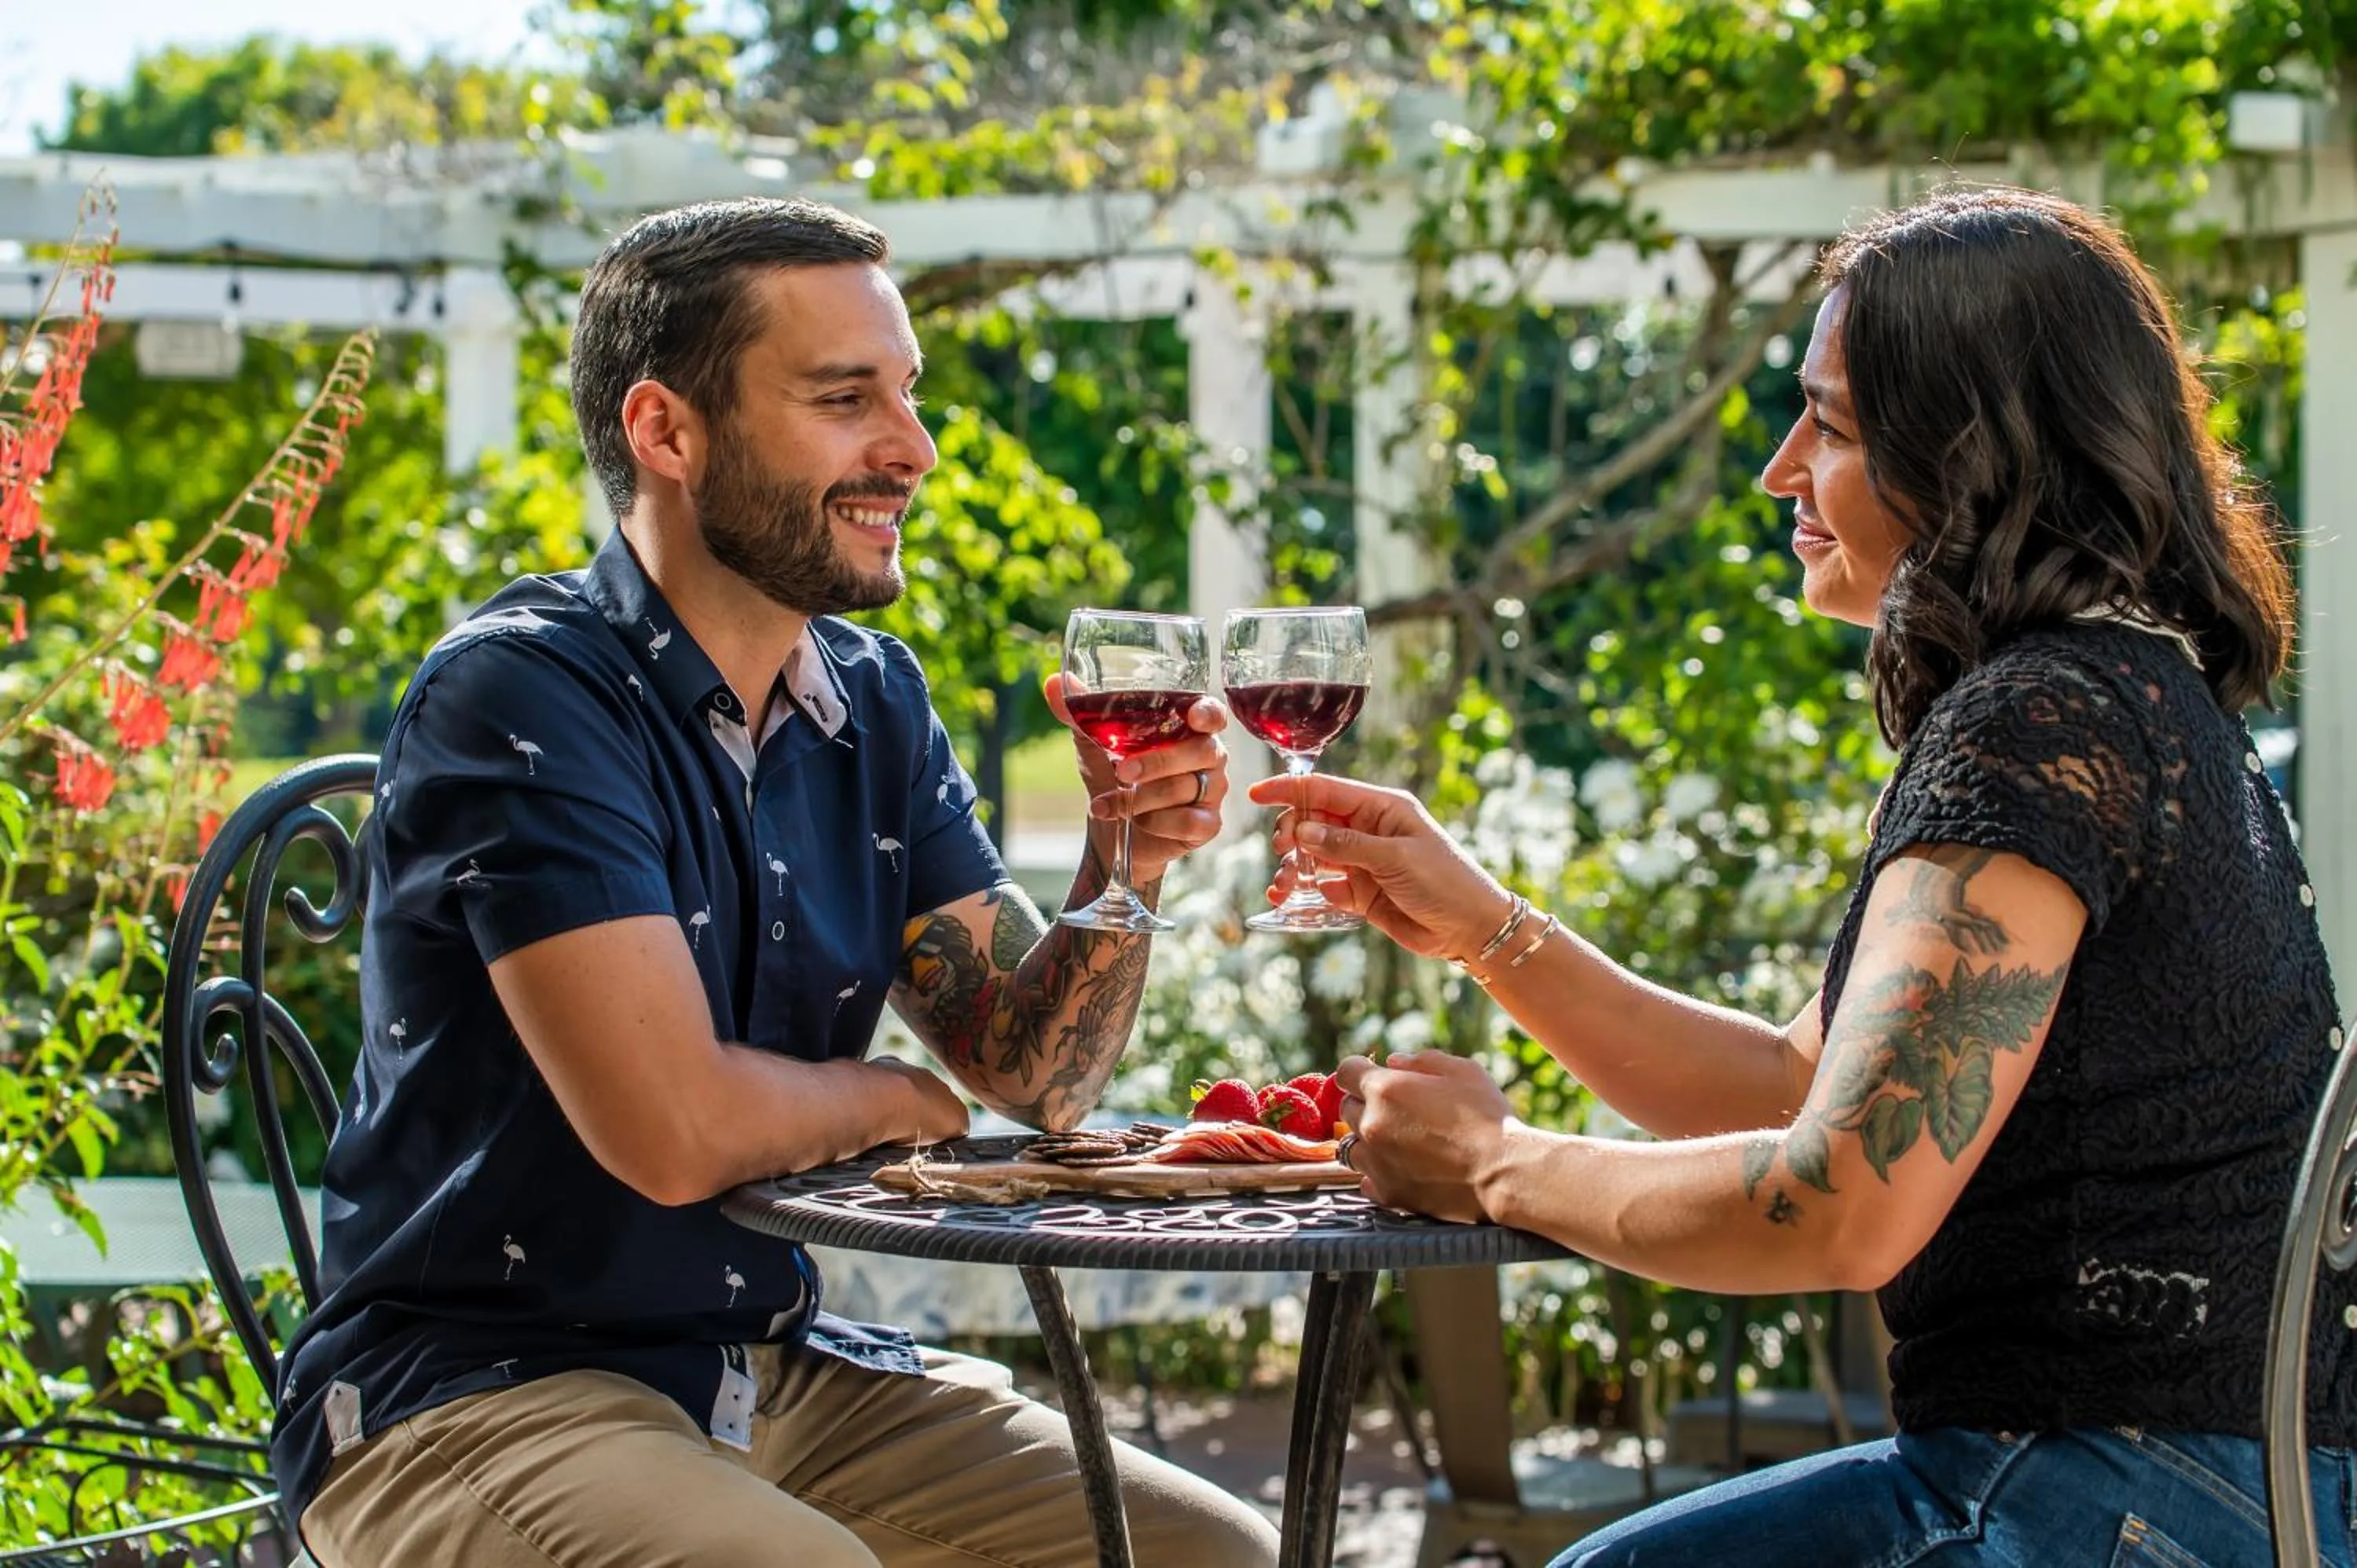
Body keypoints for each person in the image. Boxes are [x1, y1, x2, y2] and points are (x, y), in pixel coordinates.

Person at [1255, 185, 2355, 1565]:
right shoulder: (2129, 696)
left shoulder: (2043, 724)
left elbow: (1840, 1202)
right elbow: (1802, 1087)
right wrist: (1486, 929)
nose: (1782, 468)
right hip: (2220, 1492)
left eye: (1829, 424)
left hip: (2102, 1490)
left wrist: (1496, 1165)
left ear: (1973, 458)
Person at [275, 196, 1276, 1567]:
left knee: (1209, 1554)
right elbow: (676, 1129)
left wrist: (1124, 861)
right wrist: (901, 1102)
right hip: (477, 1396)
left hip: (765, 1366)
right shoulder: (522, 694)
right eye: (844, 398)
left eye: (906, 395)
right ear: (665, 433)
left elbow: (1035, 1078)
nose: (912, 449)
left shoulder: (872, 699)